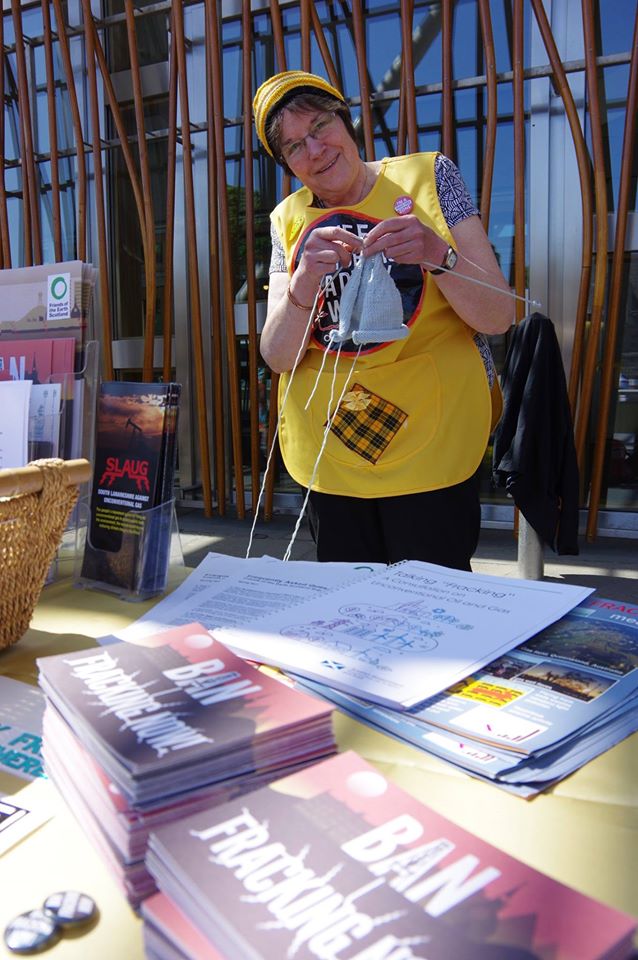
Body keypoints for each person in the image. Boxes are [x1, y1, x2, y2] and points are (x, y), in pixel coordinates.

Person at [253, 70, 513, 569]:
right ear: (286, 163)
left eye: (320, 126)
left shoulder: (430, 177)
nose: (315, 149)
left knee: (435, 606)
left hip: (433, 435)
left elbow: (498, 315)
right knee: (348, 608)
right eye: (293, 147)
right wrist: (304, 283)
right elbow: (279, 355)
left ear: (345, 122)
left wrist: (440, 255)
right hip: (332, 444)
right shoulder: (286, 220)